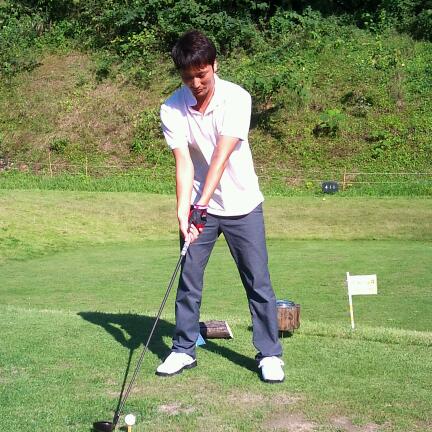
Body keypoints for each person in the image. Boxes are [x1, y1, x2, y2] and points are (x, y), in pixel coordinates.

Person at [156, 30, 284, 383]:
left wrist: (199, 204)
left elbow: (221, 156)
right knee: (189, 278)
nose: (196, 83)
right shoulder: (171, 107)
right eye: (188, 77)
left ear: (214, 65)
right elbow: (183, 162)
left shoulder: (237, 98)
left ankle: (269, 354)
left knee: (257, 280)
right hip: (200, 206)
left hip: (242, 203)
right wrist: (183, 210)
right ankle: (183, 349)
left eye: (202, 74)